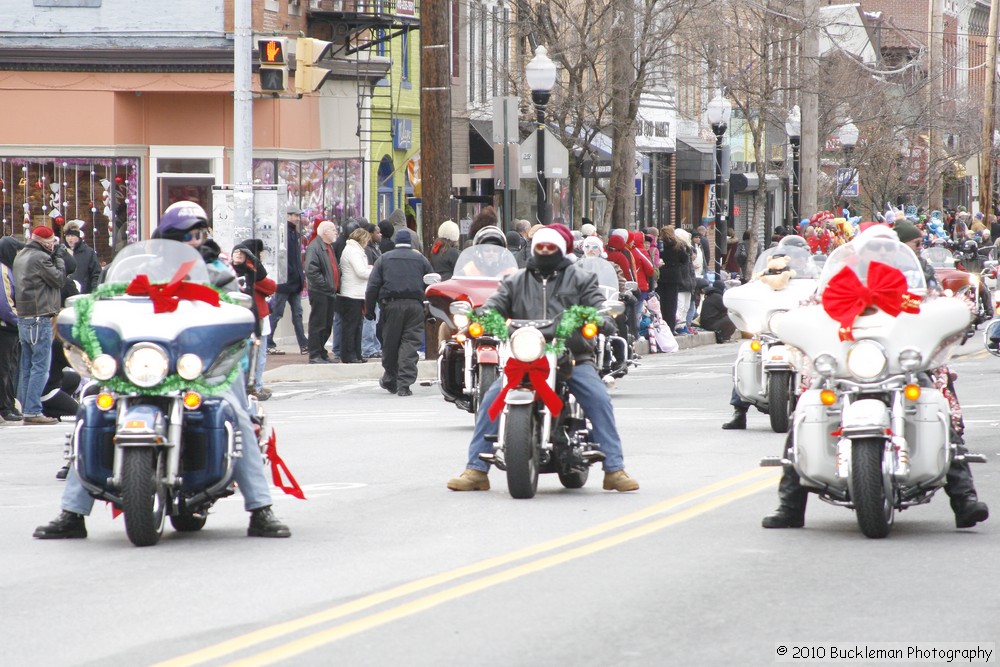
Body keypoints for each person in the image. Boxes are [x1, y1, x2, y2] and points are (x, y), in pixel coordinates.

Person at [33, 201, 290, 538]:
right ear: (164, 236)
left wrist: (236, 320)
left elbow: (237, 316)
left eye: (198, 233)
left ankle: (260, 509)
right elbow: (106, 303)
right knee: (93, 412)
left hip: (202, 368)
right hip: (143, 364)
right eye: (182, 235)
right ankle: (72, 514)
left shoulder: (218, 272)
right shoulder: (137, 270)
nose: (192, 241)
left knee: (237, 416)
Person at [761, 227, 988, 530]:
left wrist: (952, 316)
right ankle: (789, 506)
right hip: (847, 360)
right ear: (861, 250)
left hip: (901, 361)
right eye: (874, 248)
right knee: (804, 411)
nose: (881, 253)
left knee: (938, 404)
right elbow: (818, 305)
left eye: (886, 248)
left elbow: (932, 303)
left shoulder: (914, 271)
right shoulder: (840, 274)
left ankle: (964, 500)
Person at [446, 226, 640, 493]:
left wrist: (601, 319)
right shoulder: (515, 280)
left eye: (551, 247)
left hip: (572, 355)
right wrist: (479, 320)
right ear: (533, 250)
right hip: (526, 355)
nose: (545, 251)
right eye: (541, 247)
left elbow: (597, 305)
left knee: (598, 398)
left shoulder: (580, 279)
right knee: (491, 398)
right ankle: (476, 470)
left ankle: (614, 469)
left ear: (561, 250)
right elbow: (494, 305)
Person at [366, 228, 434, 397]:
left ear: (396, 242)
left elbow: (373, 286)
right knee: (410, 344)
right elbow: (432, 283)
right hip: (415, 307)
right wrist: (431, 308)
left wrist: (369, 310)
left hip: (391, 306)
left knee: (390, 343)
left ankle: (391, 377)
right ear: (410, 243)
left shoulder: (384, 259)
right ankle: (404, 384)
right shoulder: (421, 259)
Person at [13, 225, 65, 425]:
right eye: (52, 242)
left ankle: (26, 408)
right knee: (40, 368)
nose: (53, 245)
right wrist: (59, 257)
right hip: (40, 317)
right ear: (45, 242)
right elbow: (59, 279)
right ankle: (33, 410)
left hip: (24, 317)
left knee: (26, 366)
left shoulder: (21, 256)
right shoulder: (41, 258)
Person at [232, 240, 276, 401]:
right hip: (251, 315)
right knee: (255, 354)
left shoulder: (250, 270)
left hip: (254, 314)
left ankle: (255, 384)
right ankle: (253, 386)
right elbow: (269, 286)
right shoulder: (241, 272)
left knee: (255, 353)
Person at [267, 206, 309, 356]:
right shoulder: (283, 233)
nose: (297, 218)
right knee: (277, 313)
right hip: (284, 283)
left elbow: (296, 259)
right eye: (294, 215)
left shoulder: (294, 234)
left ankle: (303, 344)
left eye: (298, 215)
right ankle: (268, 342)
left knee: (297, 314)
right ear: (287, 216)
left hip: (294, 282)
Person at [304, 220, 341, 364]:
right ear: (325, 232)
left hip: (329, 291)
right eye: (333, 229)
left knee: (326, 324)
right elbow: (311, 270)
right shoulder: (315, 247)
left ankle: (321, 351)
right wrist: (326, 284)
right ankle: (315, 354)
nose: (335, 232)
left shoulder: (328, 247)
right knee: (318, 323)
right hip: (320, 291)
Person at [337, 226, 373, 364]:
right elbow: (361, 272)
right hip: (353, 294)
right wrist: (373, 271)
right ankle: (349, 355)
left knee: (356, 326)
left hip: (355, 292)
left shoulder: (353, 250)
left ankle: (356, 354)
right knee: (352, 326)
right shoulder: (354, 252)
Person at [0, 236, 24, 422]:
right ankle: (4, 407)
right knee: (4, 369)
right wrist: (19, 322)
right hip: (5, 327)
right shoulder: (3, 270)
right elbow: (6, 304)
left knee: (9, 368)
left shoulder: (8, 269)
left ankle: (8, 404)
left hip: (9, 327)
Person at [61, 222, 102, 294]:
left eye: (72, 235)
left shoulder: (88, 252)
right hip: (64, 293)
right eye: (67, 236)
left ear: (78, 236)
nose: (70, 238)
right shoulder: (61, 252)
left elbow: (96, 274)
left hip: (84, 293)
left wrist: (95, 291)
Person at [697, 279, 735, 343]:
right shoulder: (717, 296)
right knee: (732, 318)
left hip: (707, 322)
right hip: (710, 324)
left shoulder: (712, 295)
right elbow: (726, 309)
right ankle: (723, 337)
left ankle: (725, 337)